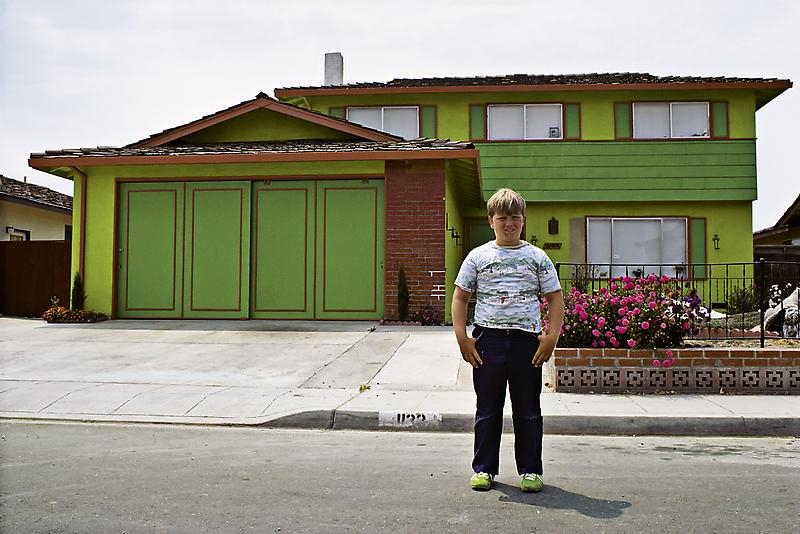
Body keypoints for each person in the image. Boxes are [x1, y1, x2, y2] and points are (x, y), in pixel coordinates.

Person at [452, 188, 564, 493]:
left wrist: (551, 337)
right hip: (488, 341)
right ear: (491, 221)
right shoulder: (478, 256)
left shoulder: (537, 257)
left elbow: (555, 298)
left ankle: (531, 470)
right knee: (488, 409)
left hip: (527, 342)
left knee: (528, 409)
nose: (509, 223)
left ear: (523, 219)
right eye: (502, 217)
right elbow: (460, 297)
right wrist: (463, 338)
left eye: (515, 217)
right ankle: (483, 469)